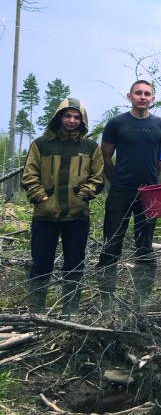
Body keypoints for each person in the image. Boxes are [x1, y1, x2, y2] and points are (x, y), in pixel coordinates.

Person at [22, 98, 104, 316]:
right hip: (45, 216)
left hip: (77, 216)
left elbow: (98, 177)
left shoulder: (90, 147)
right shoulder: (41, 144)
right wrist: (41, 198)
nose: (72, 120)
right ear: (59, 117)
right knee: (41, 264)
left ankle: (70, 313)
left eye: (77, 117)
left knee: (75, 266)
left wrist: (83, 195)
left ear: (82, 120)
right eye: (68, 116)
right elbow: (29, 175)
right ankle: (36, 314)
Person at [96, 81, 161, 308]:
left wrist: (152, 181)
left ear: (153, 99)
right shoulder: (117, 123)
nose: (143, 97)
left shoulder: (160, 124)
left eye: (147, 94)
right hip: (120, 191)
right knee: (111, 243)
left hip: (149, 193)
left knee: (144, 245)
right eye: (138, 93)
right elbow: (105, 157)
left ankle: (141, 299)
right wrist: (116, 181)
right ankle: (106, 298)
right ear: (130, 96)